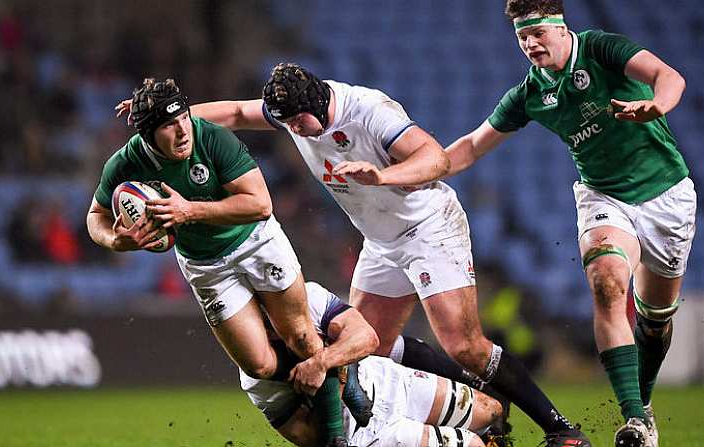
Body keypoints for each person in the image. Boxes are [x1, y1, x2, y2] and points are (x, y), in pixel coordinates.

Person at [122, 62, 592, 446]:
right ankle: (475, 408)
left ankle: (560, 429)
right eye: (283, 122)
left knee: (463, 345)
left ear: (319, 103)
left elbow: (437, 159)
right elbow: (237, 113)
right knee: (370, 346)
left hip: (429, 227)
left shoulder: (368, 111)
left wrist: (382, 176)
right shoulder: (294, 112)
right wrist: (166, 118)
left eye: (296, 122)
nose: (291, 130)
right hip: (383, 241)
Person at [444, 2, 696, 446]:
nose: (530, 44)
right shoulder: (529, 94)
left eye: (538, 32)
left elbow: (669, 76)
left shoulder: (600, 48)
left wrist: (657, 105)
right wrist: (408, 172)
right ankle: (634, 418)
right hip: (604, 197)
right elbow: (470, 147)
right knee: (607, 279)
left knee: (656, 321)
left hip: (668, 196)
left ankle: (645, 405)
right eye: (522, 37)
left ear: (562, 29)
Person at [88, 78, 348, 446]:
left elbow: (260, 205)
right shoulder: (126, 164)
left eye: (183, 119)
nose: (182, 131)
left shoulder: (211, 138)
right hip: (206, 264)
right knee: (258, 365)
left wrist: (188, 211)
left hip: (257, 241)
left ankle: (336, 437)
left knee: (303, 337)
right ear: (147, 134)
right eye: (167, 125)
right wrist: (117, 239)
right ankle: (339, 376)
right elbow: (94, 218)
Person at [243, 280, 502, 447]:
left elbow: (367, 338)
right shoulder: (257, 372)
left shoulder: (308, 297)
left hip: (385, 380)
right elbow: (301, 433)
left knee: (491, 410)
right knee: (472, 445)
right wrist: (341, 376)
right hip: (364, 433)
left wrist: (322, 364)